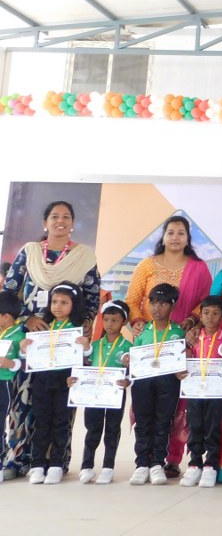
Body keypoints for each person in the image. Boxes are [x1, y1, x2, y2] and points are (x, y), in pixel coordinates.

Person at [3, 201, 100, 478]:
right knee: (23, 400)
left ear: (72, 223)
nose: (60, 221)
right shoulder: (30, 252)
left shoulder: (84, 256)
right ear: (45, 222)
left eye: (66, 217)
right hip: (30, 340)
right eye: (54, 216)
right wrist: (26, 319)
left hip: (66, 342)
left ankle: (56, 461)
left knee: (60, 403)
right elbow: (9, 292)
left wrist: (82, 328)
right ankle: (18, 460)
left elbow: (92, 298)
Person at [124, 215, 212, 478]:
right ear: (163, 236)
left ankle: (171, 459)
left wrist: (191, 320)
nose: (175, 237)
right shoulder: (146, 265)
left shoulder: (199, 268)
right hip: (149, 342)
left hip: (182, 340)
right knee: (147, 403)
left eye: (181, 233)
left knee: (177, 403)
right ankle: (145, 460)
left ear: (188, 238)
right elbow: (132, 301)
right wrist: (138, 322)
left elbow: (205, 302)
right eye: (170, 232)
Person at [21, 282, 89, 484]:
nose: (58, 306)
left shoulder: (77, 328)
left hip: (65, 381)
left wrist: (86, 347)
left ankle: (56, 465)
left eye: (64, 302)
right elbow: (28, 355)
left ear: (74, 305)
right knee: (41, 422)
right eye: (54, 301)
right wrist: (24, 348)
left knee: (61, 423)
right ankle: (37, 465)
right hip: (42, 380)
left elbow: (87, 356)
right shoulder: (43, 326)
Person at [129, 284, 186, 486]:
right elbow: (134, 357)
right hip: (142, 383)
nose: (156, 308)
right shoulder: (142, 331)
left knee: (163, 423)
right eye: (153, 303)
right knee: (143, 423)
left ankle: (157, 464)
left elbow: (184, 358)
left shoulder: (179, 332)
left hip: (168, 383)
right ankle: (141, 464)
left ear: (172, 306)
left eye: (162, 304)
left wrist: (181, 370)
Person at [76, 300, 132, 485]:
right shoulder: (96, 345)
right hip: (94, 395)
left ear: (124, 322)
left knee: (112, 430)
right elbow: (85, 364)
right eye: (106, 320)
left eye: (114, 320)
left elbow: (133, 371)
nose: (109, 324)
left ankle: (108, 467)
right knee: (92, 429)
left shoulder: (127, 346)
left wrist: (128, 380)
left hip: (116, 394)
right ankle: (87, 466)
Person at [179, 295, 222, 489]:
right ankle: (194, 463)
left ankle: (211, 465)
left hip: (217, 392)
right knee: (195, 426)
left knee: (213, 427)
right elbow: (183, 358)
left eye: (216, 313)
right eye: (206, 313)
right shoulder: (193, 337)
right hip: (195, 391)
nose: (210, 317)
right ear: (200, 315)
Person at [0, 290, 26, 479]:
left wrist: (10, 363)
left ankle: (1, 463)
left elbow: (23, 363)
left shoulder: (19, 335)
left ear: (6, 317)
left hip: (4, 383)